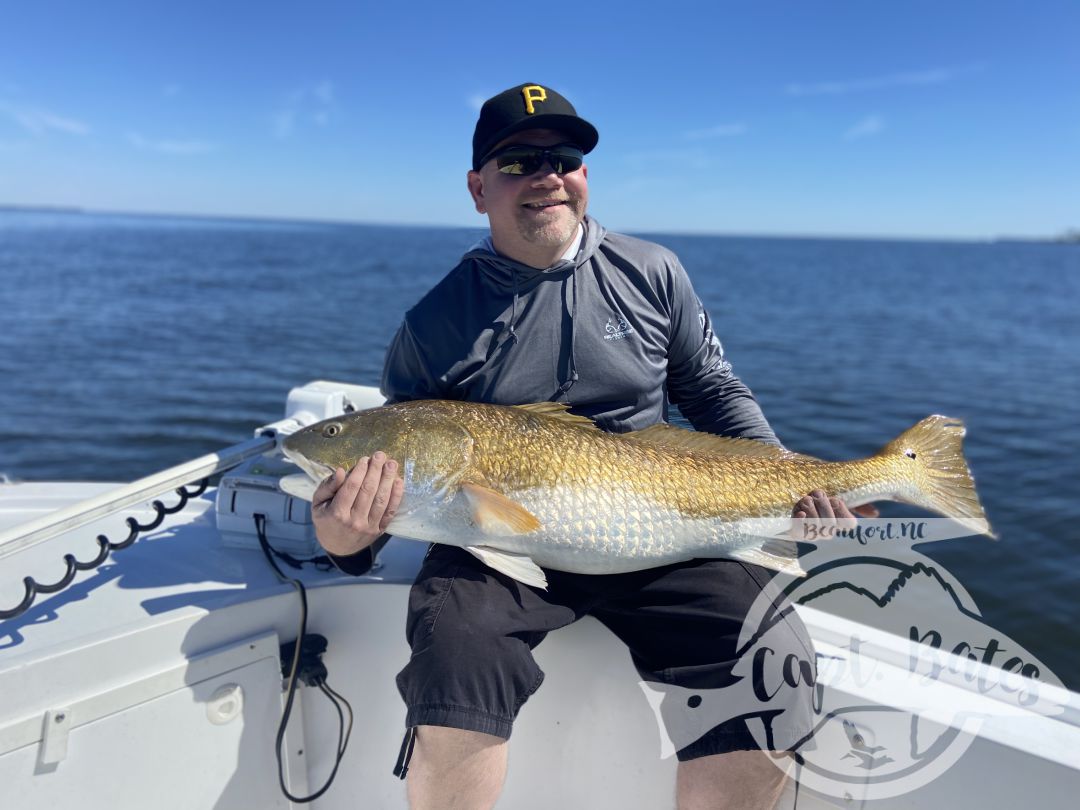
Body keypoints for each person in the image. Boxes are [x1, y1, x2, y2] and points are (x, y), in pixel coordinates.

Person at [311, 83, 868, 810]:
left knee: (769, 659)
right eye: (517, 161)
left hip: (657, 523)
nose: (546, 175)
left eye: (564, 158)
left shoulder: (653, 272)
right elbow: (397, 464)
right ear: (478, 189)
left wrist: (786, 476)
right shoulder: (434, 324)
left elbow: (714, 393)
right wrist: (345, 539)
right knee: (454, 657)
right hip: (496, 536)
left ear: (584, 176)